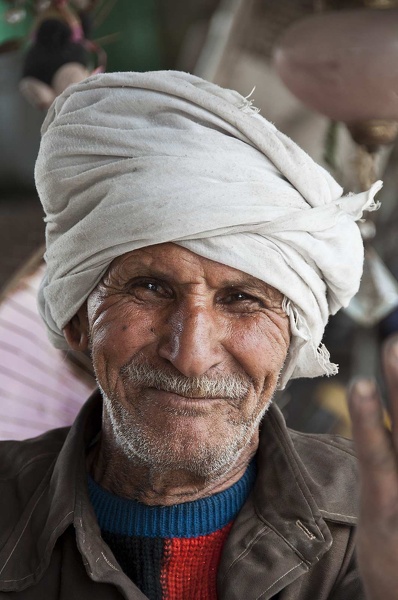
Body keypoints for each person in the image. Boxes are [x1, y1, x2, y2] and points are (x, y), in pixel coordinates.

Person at [0, 71, 383, 599]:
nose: (191, 356)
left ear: (292, 337)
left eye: (242, 299)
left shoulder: (375, 518)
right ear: (78, 322)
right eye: (151, 288)